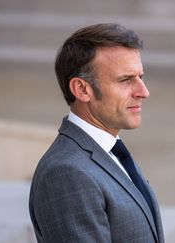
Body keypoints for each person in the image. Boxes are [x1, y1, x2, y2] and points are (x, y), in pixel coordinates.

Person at [29, 23, 164, 243]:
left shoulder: (109, 149)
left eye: (141, 77)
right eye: (125, 80)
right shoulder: (66, 173)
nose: (143, 92)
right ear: (82, 89)